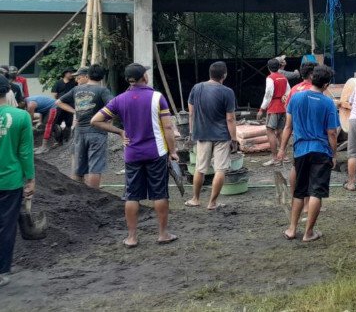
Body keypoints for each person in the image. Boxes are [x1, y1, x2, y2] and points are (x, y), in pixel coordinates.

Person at [91, 63, 179, 248]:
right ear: (144, 77)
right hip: (156, 152)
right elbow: (168, 127)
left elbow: (96, 120)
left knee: (131, 195)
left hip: (132, 154)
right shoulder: (157, 97)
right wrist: (173, 151)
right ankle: (163, 234)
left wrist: (120, 132)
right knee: (160, 193)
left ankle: (132, 238)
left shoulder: (119, 99)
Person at [282, 65, 339, 242]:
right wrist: (334, 154)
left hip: (300, 150)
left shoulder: (296, 97)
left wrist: (282, 149)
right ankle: (308, 233)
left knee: (299, 191)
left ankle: (292, 229)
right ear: (326, 84)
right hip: (320, 151)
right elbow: (332, 132)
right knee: (316, 192)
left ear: (312, 78)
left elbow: (288, 126)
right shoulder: (328, 103)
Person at [185, 61, 237, 211]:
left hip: (202, 134)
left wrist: (191, 132)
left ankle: (195, 199)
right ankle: (212, 203)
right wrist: (234, 139)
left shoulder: (197, 88)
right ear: (224, 75)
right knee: (220, 169)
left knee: (200, 168)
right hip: (222, 136)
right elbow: (230, 119)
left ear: (210, 74)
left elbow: (191, 113)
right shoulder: (227, 92)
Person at [0, 74, 35, 287]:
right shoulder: (21, 117)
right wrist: (30, 178)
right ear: (8, 91)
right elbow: (25, 153)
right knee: (6, 226)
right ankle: (2, 271)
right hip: (10, 181)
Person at [56, 64, 114, 188]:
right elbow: (113, 106)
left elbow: (58, 101)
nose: (77, 79)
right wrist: (107, 119)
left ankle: (78, 194)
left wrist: (75, 112)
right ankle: (94, 195)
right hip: (97, 131)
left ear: (88, 75)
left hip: (79, 131)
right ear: (102, 76)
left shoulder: (76, 89)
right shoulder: (103, 90)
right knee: (95, 166)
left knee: (78, 167)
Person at [256, 58, 290, 167]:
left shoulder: (270, 78)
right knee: (280, 131)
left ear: (268, 67)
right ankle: (284, 156)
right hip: (283, 107)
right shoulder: (284, 77)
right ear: (279, 67)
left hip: (274, 107)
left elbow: (268, 95)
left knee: (270, 131)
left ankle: (275, 158)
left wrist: (262, 109)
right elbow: (288, 92)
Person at [51, 68, 77, 144]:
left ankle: (67, 140)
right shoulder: (58, 83)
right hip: (60, 106)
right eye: (70, 72)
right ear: (65, 73)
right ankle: (58, 141)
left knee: (69, 124)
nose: (72, 74)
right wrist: (59, 101)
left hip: (70, 106)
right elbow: (54, 94)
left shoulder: (74, 82)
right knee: (56, 123)